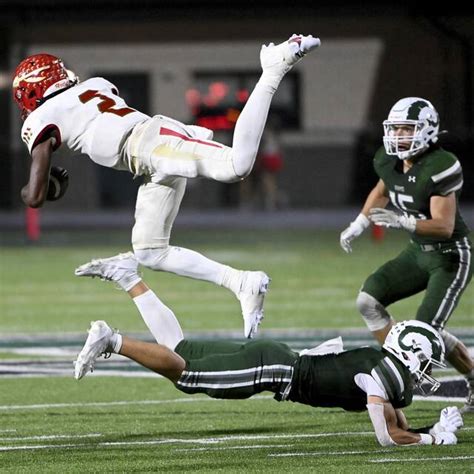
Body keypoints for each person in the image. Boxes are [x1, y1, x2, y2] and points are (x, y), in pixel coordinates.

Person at [12, 34, 321, 338]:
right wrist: (49, 185)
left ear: (32, 90)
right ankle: (242, 282)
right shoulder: (95, 86)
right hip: (148, 157)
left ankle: (273, 70)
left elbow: (34, 196)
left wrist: (35, 189)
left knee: (236, 166)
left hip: (150, 145)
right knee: (149, 251)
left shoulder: (41, 117)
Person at [73, 260, 464, 447]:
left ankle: (129, 277)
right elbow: (386, 435)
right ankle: (113, 340)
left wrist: (431, 430)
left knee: (180, 350)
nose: (426, 371)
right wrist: (433, 441)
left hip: (277, 357)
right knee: (187, 375)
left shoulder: (383, 368)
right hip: (273, 369)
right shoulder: (387, 377)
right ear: (410, 355)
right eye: (426, 362)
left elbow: (398, 422)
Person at [339, 97, 473, 412]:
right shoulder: (388, 159)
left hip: (450, 256)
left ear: (427, 131)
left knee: (425, 332)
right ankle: (406, 366)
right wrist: (360, 222)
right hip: (417, 252)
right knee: (368, 302)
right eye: (396, 129)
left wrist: (404, 221)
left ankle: (464, 377)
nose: (399, 136)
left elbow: (443, 226)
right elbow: (383, 189)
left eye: (407, 129)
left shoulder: (441, 165)